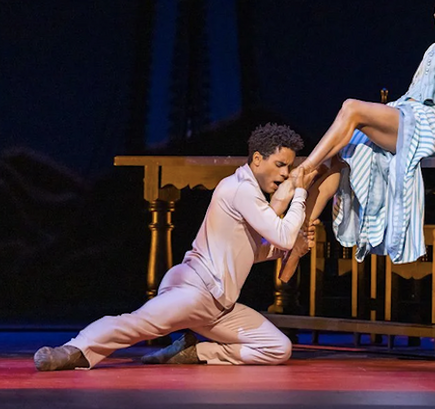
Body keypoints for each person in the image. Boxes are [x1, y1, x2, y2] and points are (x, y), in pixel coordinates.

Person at [33, 123, 318, 371]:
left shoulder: (250, 193)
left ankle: (196, 352)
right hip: (195, 291)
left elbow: (251, 250)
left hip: (218, 306)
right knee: (138, 323)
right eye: (280, 165)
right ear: (257, 159)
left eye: (289, 168)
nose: (285, 174)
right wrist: (301, 193)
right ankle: (73, 351)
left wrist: (289, 250)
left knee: (278, 348)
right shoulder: (240, 189)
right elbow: (282, 235)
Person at [279, 0, 435, 282]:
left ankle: (300, 173)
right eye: (434, 10)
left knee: (351, 108)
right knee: (342, 156)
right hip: (404, 114)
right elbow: (412, 94)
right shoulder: (433, 50)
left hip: (428, 125)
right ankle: (300, 236)